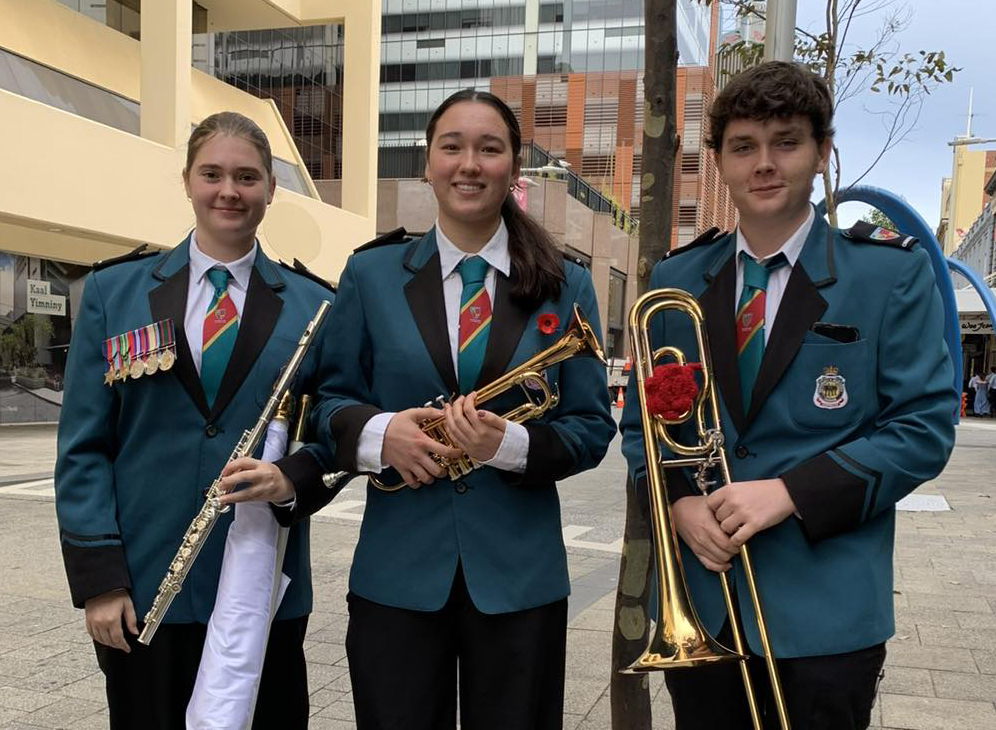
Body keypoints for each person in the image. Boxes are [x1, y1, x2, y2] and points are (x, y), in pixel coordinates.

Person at [620, 61, 956, 730]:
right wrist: (682, 504)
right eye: (744, 146)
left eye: (787, 141)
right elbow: (641, 430)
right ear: (718, 160)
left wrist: (787, 493)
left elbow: (923, 427)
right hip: (706, 597)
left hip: (826, 604)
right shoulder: (677, 277)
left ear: (822, 152)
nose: (764, 164)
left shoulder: (889, 274)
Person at [314, 89, 616, 730]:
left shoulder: (569, 283)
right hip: (397, 575)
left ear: (513, 168)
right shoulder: (370, 275)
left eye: (489, 148)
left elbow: (592, 428)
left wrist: (504, 446)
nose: (469, 164)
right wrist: (381, 434)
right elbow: (328, 400)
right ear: (428, 163)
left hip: (519, 580)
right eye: (451, 147)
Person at [55, 111, 338, 729]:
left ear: (270, 189)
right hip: (144, 590)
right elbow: (83, 449)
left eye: (247, 177)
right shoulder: (114, 293)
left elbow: (335, 437)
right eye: (211, 174)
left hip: (262, 588)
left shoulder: (318, 307)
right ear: (187, 180)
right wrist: (101, 580)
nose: (228, 191)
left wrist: (291, 476)